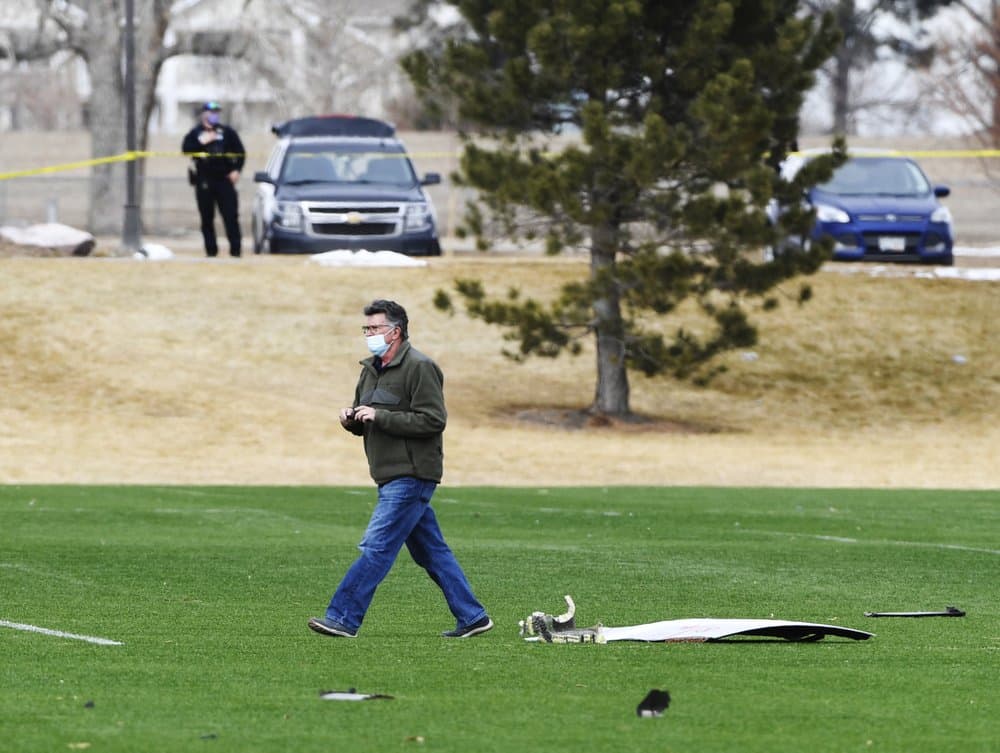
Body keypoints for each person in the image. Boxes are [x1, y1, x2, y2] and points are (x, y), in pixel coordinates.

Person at [308, 299, 493, 639]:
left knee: (376, 547)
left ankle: (343, 618)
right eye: (366, 329)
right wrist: (351, 419)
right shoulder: (369, 369)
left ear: (395, 332)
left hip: (412, 474)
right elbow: (366, 418)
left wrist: (381, 416)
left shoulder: (420, 367)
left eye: (374, 328)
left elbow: (433, 420)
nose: (369, 334)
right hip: (387, 474)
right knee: (432, 553)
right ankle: (473, 617)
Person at [181, 101, 245, 257]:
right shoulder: (196, 133)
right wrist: (202, 141)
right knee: (206, 218)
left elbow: (240, 152)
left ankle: (236, 251)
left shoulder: (227, 132)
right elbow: (186, 149)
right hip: (204, 180)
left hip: (225, 179)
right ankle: (211, 251)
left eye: (216, 112)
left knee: (230, 216)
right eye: (211, 112)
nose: (214, 115)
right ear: (204, 114)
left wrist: (236, 170)